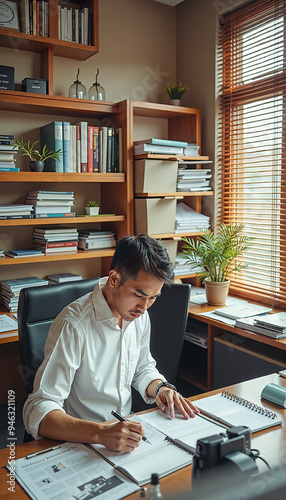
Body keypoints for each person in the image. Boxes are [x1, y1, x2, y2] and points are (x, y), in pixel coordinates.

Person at [23, 234, 199, 452]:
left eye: (153, 297)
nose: (144, 307)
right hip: (80, 442)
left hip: (123, 436)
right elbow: (39, 408)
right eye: (139, 295)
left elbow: (141, 367)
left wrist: (161, 388)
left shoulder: (137, 315)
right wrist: (100, 433)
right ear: (114, 279)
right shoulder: (73, 325)